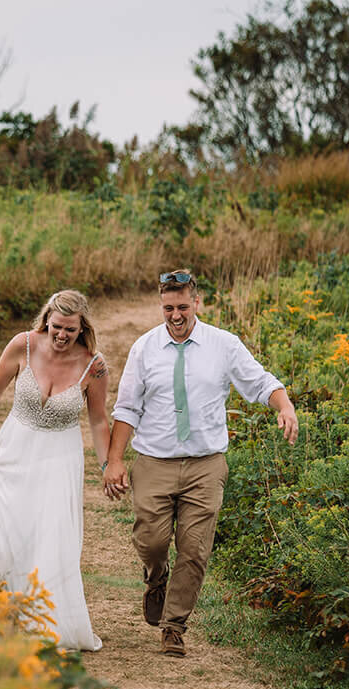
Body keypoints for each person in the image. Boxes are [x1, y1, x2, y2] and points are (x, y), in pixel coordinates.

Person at [103, 270, 298, 657]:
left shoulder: (223, 345)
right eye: (167, 308)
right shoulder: (144, 348)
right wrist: (115, 460)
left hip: (206, 465)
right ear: (161, 306)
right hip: (154, 461)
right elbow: (127, 408)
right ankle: (155, 577)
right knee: (152, 542)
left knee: (194, 550)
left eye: (182, 306)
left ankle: (174, 627)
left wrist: (285, 405)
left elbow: (260, 383)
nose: (175, 315)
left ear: (197, 302)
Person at [0, 289, 110, 651]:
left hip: (59, 458)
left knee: (49, 533)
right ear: (47, 320)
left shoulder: (94, 365)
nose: (62, 335)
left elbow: (98, 421)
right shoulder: (23, 345)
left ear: (82, 328)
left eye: (70, 330)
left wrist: (108, 465)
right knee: (4, 522)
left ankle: (42, 617)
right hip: (14, 447)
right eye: (57, 326)